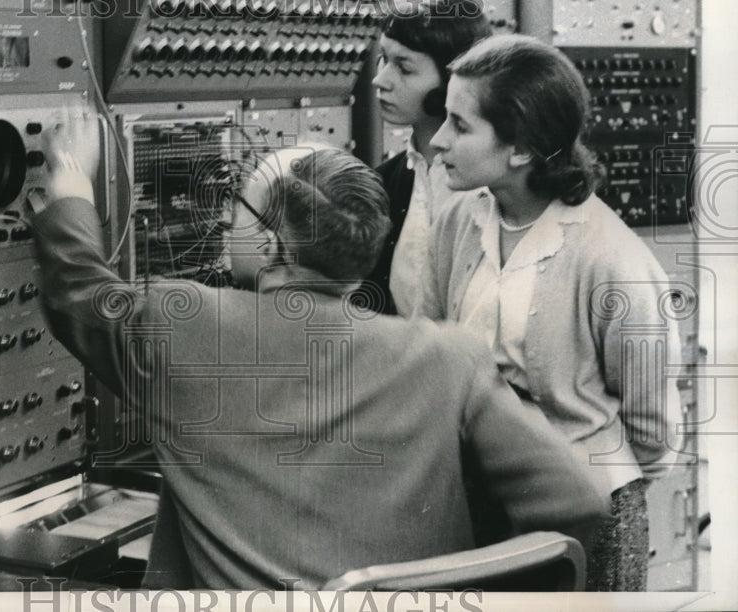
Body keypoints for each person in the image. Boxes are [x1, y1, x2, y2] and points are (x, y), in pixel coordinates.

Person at [31, 105, 609, 590]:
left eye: (239, 205)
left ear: (271, 242)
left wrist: (70, 186)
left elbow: (77, 289)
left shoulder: (181, 325)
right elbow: (578, 502)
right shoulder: (450, 358)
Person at [424, 34, 684, 591]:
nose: (438, 142)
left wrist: (592, 478)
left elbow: (651, 429)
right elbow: (432, 351)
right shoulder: (455, 220)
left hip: (587, 511)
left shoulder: (612, 257)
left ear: (520, 149)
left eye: (460, 126)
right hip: (480, 498)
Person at [361, 0, 492, 316]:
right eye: (384, 59)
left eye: (403, 68)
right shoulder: (383, 183)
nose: (380, 80)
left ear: (452, 81)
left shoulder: (494, 189)